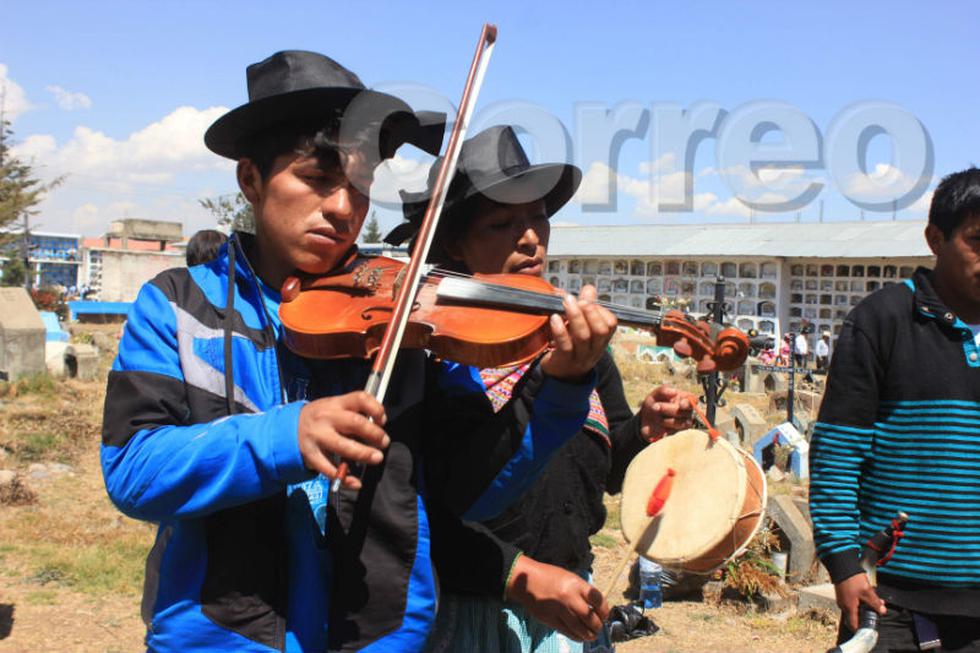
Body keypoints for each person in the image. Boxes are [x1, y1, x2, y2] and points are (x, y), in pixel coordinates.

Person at [101, 52, 617, 653]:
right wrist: (286, 437)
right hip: (219, 637)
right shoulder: (179, 305)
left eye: (361, 186)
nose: (345, 209)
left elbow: (471, 490)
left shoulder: (402, 318)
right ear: (250, 179)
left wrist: (557, 387)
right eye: (318, 180)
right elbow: (134, 470)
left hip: (380, 639)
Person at [386, 125, 697, 653]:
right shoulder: (429, 358)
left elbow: (608, 472)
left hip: (572, 601)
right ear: (456, 244)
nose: (530, 237)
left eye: (537, 217)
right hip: (471, 614)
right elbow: (420, 511)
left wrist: (642, 431)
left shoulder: (573, 337)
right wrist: (518, 575)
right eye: (502, 223)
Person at [809, 167, 980, 652]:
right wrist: (843, 564)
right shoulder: (881, 320)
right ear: (935, 238)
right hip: (893, 602)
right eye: (977, 240)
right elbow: (838, 454)